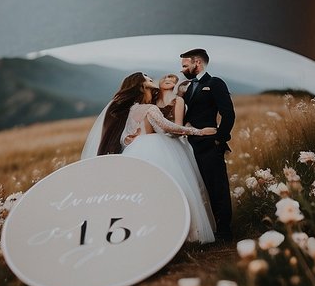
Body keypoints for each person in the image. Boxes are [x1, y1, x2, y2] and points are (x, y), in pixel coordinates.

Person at [86, 72, 217, 243]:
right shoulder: (150, 108)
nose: (152, 80)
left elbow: (125, 136)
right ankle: (185, 231)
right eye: (147, 79)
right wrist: (198, 131)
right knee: (174, 188)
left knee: (146, 192)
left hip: (135, 151)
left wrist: (131, 138)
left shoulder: (131, 110)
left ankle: (152, 230)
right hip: (156, 148)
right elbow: (167, 127)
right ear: (142, 86)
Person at [178, 48, 235, 242]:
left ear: (197, 63)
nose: (182, 70)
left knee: (217, 187)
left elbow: (228, 113)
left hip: (210, 144)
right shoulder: (187, 87)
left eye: (185, 65)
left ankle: (224, 231)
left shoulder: (215, 83)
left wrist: (220, 138)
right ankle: (205, 229)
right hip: (190, 144)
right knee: (199, 188)